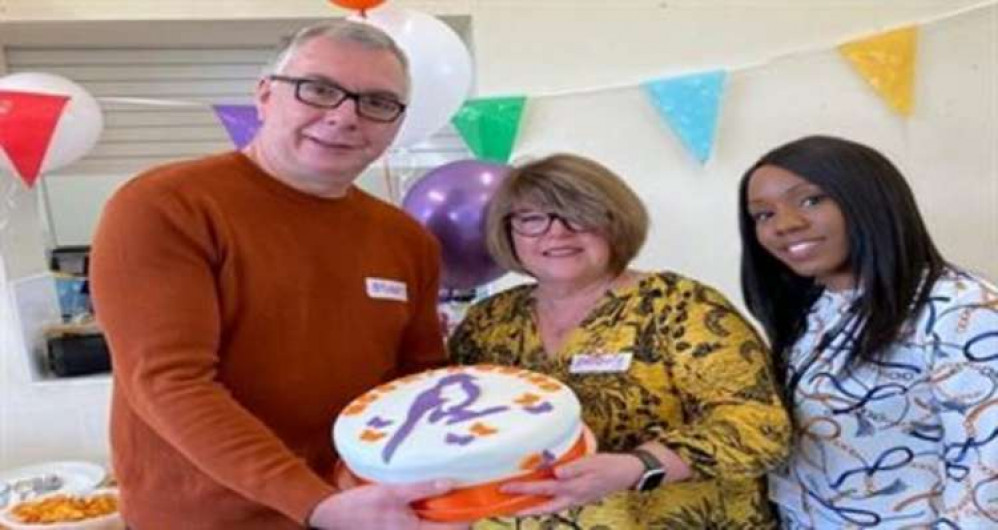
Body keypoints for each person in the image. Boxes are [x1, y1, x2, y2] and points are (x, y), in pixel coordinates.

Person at [90, 21, 466, 530]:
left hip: (362, 510)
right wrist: (315, 504)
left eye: (377, 102)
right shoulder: (166, 206)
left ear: (397, 123)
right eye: (319, 89)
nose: (344, 116)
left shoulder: (407, 240)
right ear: (265, 96)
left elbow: (415, 383)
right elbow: (169, 381)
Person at [448, 153, 791, 529]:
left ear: (614, 223)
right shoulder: (488, 320)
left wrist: (640, 466)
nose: (557, 232)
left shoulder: (678, 305)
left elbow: (760, 427)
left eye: (577, 215)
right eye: (532, 219)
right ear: (508, 232)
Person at [738, 135, 998, 528]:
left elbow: (987, 472)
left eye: (811, 200)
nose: (786, 224)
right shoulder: (815, 310)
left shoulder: (960, 308)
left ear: (870, 200)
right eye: (763, 214)